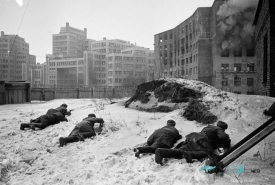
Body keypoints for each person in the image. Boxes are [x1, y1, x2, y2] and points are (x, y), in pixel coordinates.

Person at [155, 121, 231, 165]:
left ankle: (162, 151)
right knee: (207, 153)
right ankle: (190, 154)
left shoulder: (208, 127)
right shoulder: (218, 129)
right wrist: (226, 143)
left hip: (193, 138)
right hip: (203, 142)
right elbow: (223, 137)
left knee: (180, 151)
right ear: (223, 128)